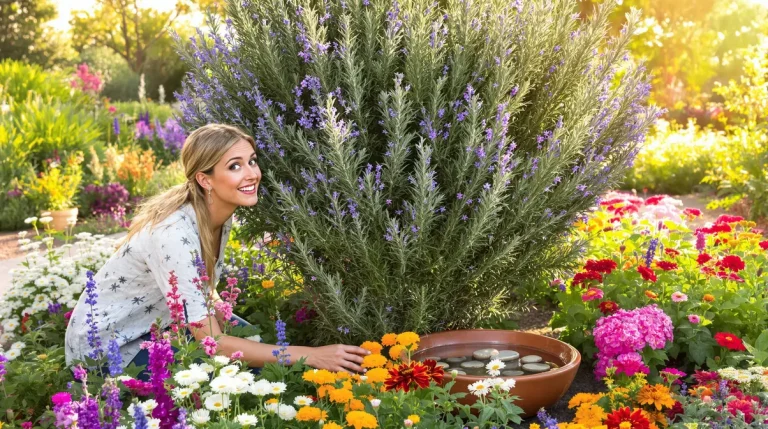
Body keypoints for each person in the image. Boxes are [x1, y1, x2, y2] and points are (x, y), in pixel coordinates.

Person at [64, 124, 369, 374]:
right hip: (109, 350)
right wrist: (313, 355)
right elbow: (212, 341)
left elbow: (200, 292)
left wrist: (227, 318)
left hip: (163, 328)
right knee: (248, 370)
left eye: (251, 160)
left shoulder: (216, 215)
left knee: (263, 351)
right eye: (235, 166)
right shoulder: (173, 233)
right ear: (204, 179)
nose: (251, 173)